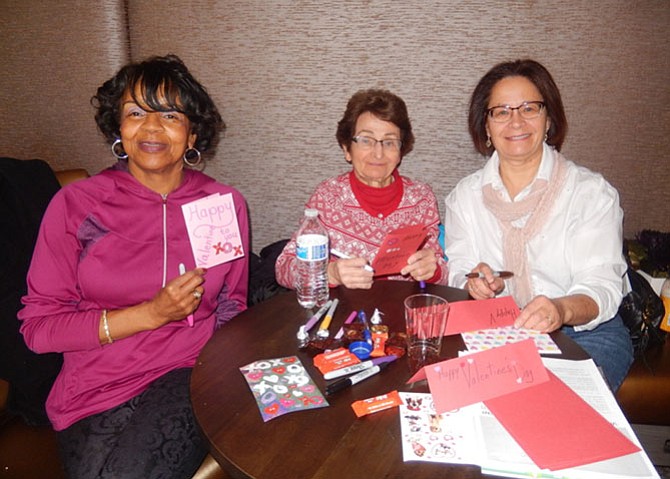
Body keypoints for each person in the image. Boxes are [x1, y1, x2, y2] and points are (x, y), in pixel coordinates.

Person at [18, 54, 249, 478]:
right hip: (94, 389)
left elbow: (233, 308)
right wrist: (151, 315)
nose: (151, 127)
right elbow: (38, 330)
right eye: (135, 113)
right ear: (118, 130)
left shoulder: (222, 205)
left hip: (188, 373)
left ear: (192, 131)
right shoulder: (75, 205)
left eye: (170, 115)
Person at [443, 59, 632, 391]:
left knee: (558, 414)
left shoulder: (590, 193)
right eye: (501, 111)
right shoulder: (465, 197)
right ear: (486, 127)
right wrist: (473, 282)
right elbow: (458, 270)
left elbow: (601, 288)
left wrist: (559, 309)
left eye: (529, 107)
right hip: (496, 328)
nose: (516, 120)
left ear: (549, 120)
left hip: (585, 333)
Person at [275, 88, 448, 290]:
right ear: (347, 149)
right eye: (366, 140)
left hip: (401, 311)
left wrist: (433, 270)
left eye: (389, 142)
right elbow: (284, 268)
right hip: (344, 313)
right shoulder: (328, 196)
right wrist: (330, 273)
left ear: (401, 151)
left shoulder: (421, 198)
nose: (378, 153)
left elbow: (445, 275)